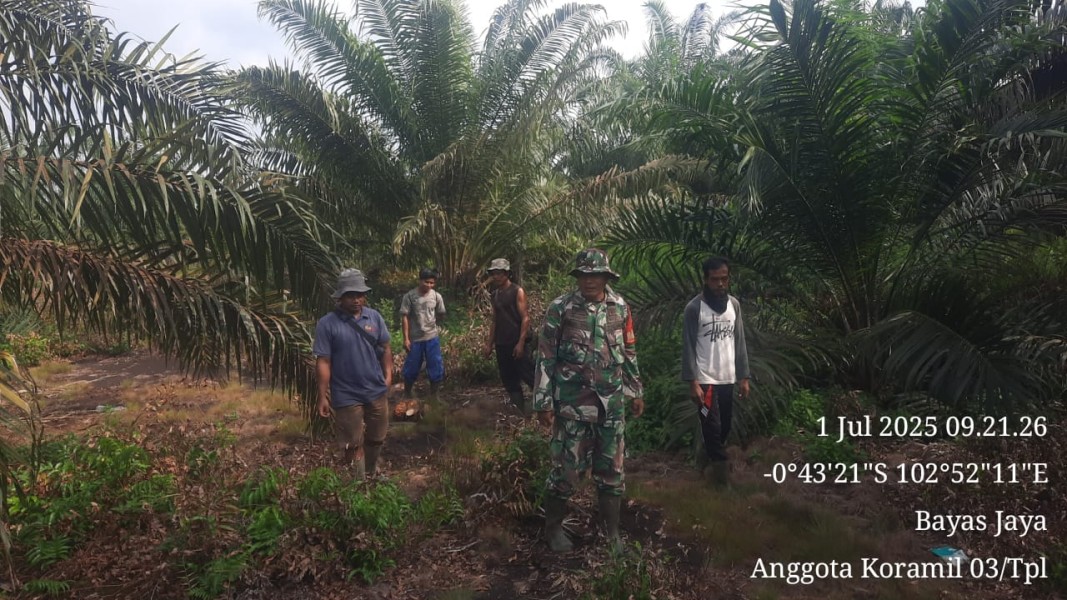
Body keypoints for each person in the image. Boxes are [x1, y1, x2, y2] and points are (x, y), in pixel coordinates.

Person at [533, 248, 644, 553]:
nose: (589, 281)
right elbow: (545, 356)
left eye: (595, 275)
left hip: (611, 406)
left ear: (607, 277)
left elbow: (629, 350)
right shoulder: (561, 308)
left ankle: (612, 534)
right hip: (572, 405)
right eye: (583, 275)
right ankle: (552, 529)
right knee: (566, 472)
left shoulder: (620, 307)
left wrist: (635, 389)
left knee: (612, 472)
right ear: (577, 277)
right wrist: (543, 401)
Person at [313, 268, 394, 479]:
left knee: (377, 436)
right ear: (340, 297)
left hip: (375, 389)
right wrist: (322, 395)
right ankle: (358, 486)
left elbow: (385, 347)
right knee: (352, 443)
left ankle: (371, 472)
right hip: (346, 394)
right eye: (350, 295)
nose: (356, 300)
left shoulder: (374, 317)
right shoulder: (327, 324)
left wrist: (388, 374)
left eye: (359, 295)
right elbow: (323, 361)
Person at [681, 257, 750, 487]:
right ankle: (721, 482)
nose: (720, 284)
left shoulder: (734, 305)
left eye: (724, 279)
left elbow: (739, 341)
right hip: (705, 379)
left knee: (725, 426)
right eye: (715, 279)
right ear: (705, 280)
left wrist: (744, 376)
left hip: (727, 377)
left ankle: (702, 461)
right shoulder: (694, 308)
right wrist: (693, 382)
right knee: (712, 426)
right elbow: (688, 346)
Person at [482, 258, 534, 414]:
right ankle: (521, 412)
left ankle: (542, 408)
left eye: (499, 273)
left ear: (506, 274)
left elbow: (525, 317)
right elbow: (495, 320)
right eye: (494, 273)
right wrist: (489, 344)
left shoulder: (517, 291)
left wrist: (520, 343)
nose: (496, 277)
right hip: (502, 342)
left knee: (529, 375)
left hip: (516, 341)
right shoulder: (495, 294)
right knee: (509, 379)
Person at [400, 268, 447, 402]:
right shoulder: (409, 296)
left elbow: (441, 313)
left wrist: (434, 323)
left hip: (432, 337)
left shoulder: (436, 296)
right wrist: (406, 339)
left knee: (435, 365)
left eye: (432, 283)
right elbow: (405, 317)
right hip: (415, 338)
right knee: (412, 366)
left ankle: (434, 396)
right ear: (420, 280)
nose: (429, 285)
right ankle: (407, 393)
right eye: (427, 282)